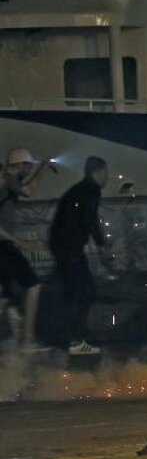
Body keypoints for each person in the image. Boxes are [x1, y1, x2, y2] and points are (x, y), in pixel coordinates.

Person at [48, 157, 110, 356]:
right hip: (69, 248)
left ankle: (72, 337)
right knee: (84, 291)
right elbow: (89, 219)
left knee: (75, 292)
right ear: (98, 172)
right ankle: (75, 340)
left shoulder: (78, 189)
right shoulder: (91, 190)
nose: (107, 178)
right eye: (105, 173)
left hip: (64, 246)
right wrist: (102, 245)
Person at [0, 149, 54, 351]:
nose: (28, 170)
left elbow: (26, 187)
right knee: (33, 285)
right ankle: (27, 340)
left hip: (4, 245)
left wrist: (39, 169)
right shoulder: (8, 178)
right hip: (3, 245)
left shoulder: (7, 180)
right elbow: (29, 191)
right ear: (21, 165)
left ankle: (23, 339)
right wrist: (42, 170)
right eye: (28, 166)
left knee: (6, 297)